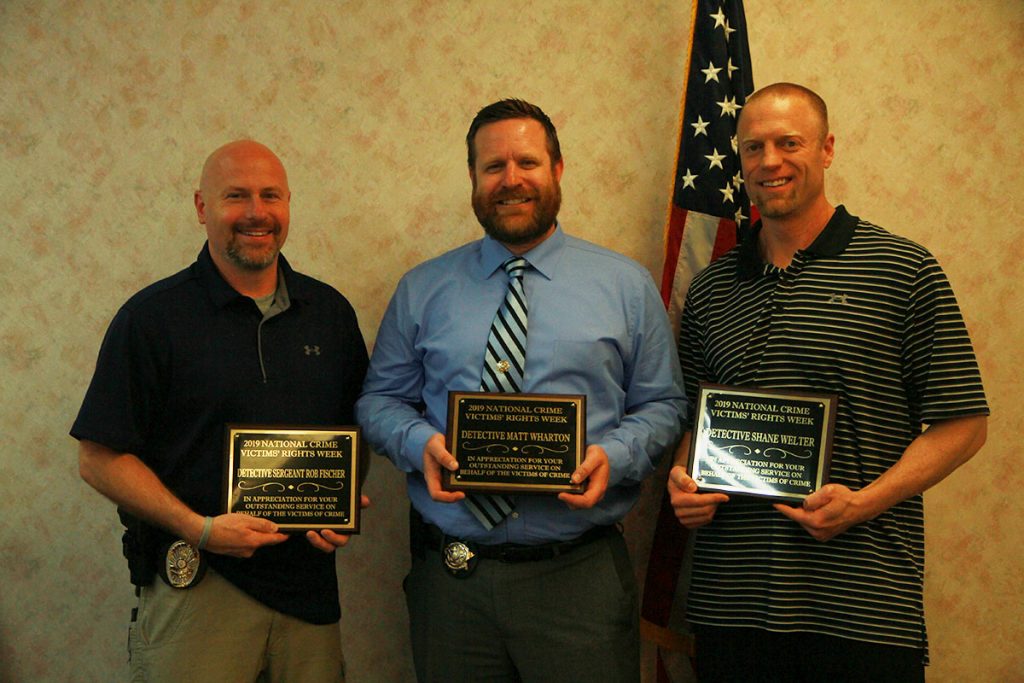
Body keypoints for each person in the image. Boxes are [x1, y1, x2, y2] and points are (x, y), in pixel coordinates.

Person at [667, 83, 989, 682]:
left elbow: (965, 424)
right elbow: (696, 418)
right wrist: (683, 482)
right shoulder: (711, 289)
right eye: (753, 147)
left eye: (789, 143)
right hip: (729, 606)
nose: (770, 162)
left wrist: (862, 504)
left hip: (861, 609)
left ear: (827, 149)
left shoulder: (901, 268)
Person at [356, 99, 685, 682]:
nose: (511, 180)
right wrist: (417, 443)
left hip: (577, 581)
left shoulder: (625, 286)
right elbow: (378, 401)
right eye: (493, 166)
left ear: (558, 170)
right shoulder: (423, 288)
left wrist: (616, 455)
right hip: (453, 584)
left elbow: (664, 405)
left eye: (527, 162)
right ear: (474, 180)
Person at [71, 140, 369, 682]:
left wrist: (340, 507)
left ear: (287, 205)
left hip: (309, 596)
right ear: (202, 208)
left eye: (270, 196)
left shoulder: (329, 313)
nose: (256, 213)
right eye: (236, 196)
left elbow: (356, 428)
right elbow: (97, 456)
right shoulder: (152, 318)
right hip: (199, 589)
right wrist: (200, 527)